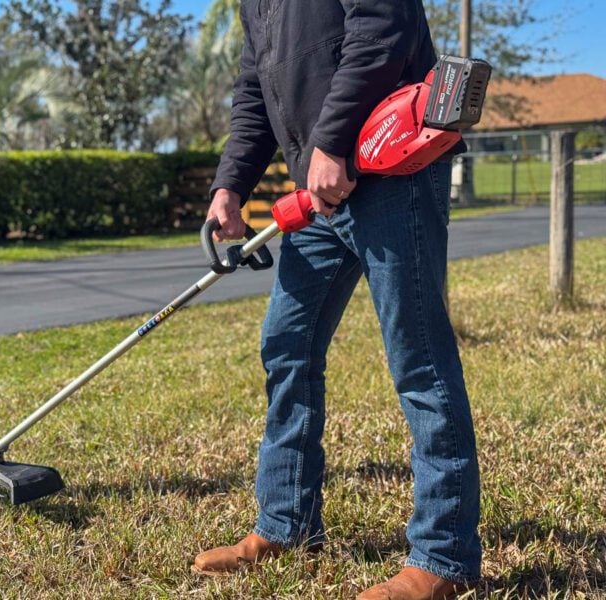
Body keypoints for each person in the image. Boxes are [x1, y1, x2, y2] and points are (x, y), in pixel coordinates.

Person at [191, 1, 482, 598]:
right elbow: (257, 87)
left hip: (391, 170)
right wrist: (230, 184)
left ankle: (443, 558)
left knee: (418, 358)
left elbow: (385, 24)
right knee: (286, 346)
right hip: (321, 194)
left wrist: (329, 139)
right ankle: (286, 524)